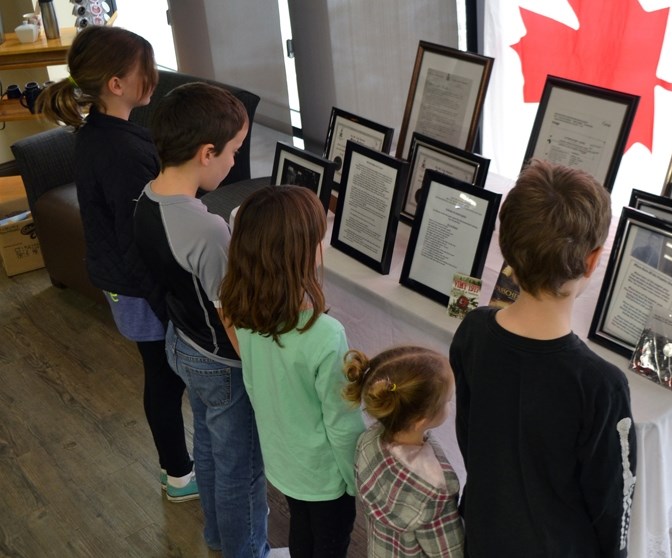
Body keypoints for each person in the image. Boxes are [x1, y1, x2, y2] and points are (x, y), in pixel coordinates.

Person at [37, 26, 196, 502]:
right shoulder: (121, 149)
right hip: (136, 285)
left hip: (120, 278)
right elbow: (138, 238)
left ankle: (177, 470)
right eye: (144, 71)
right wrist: (168, 300)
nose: (152, 78)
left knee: (161, 376)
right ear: (115, 83)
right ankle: (179, 475)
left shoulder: (99, 134)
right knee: (164, 379)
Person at [449, 160, 637, 557]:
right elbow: (613, 503)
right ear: (592, 260)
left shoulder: (473, 331)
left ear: (508, 249)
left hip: (485, 534)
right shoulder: (602, 384)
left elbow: (470, 438)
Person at [133, 83, 268, 558]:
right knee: (243, 468)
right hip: (222, 363)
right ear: (206, 152)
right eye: (233, 152)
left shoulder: (147, 198)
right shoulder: (207, 229)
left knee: (209, 446)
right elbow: (230, 314)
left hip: (181, 342)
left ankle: (216, 536)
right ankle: (245, 550)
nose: (235, 162)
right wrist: (257, 369)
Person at [219, 185, 365, 558]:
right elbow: (342, 423)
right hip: (327, 477)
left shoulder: (239, 307)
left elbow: (255, 381)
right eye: (319, 238)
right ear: (300, 253)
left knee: (302, 531)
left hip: (283, 462)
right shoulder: (326, 335)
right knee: (329, 544)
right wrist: (356, 480)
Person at [342, 346, 465, 557]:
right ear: (420, 420)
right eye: (448, 401)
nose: (450, 405)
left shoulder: (367, 440)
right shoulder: (435, 488)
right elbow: (449, 552)